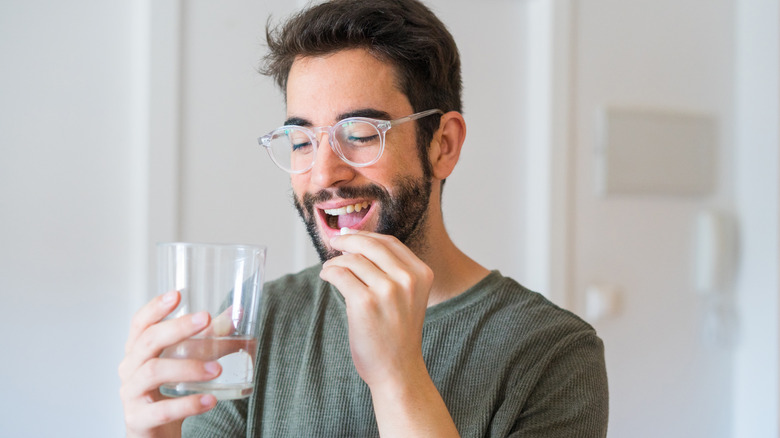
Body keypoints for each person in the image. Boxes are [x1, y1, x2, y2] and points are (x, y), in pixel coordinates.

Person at [118, 0, 609, 436]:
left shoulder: (555, 352)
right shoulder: (259, 319)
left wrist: (398, 375)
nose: (324, 174)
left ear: (443, 145)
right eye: (302, 140)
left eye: (359, 133)